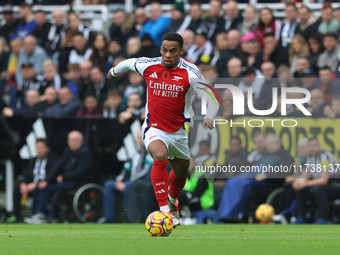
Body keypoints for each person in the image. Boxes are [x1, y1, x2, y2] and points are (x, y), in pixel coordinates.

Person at [107, 32, 219, 227]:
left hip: (178, 131)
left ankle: (172, 199)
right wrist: (114, 71)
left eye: (173, 51)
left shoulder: (191, 72)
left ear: (181, 51)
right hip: (153, 127)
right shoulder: (149, 64)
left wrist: (209, 116)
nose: (167, 55)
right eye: (164, 50)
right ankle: (164, 212)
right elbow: (129, 62)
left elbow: (212, 97)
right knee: (160, 155)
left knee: (181, 173)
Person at [24, 130, 93, 224]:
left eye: (75, 140)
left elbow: (81, 171)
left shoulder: (85, 152)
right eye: (70, 140)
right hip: (66, 181)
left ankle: (54, 215)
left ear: (81, 141)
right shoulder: (68, 151)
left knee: (58, 188)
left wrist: (64, 176)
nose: (73, 142)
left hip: (79, 182)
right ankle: (41, 214)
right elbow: (58, 166)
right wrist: (47, 180)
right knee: (46, 187)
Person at [102, 130, 153, 223]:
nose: (140, 140)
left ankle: (128, 218)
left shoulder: (150, 154)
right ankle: (109, 219)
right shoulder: (134, 154)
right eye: (139, 138)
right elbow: (126, 169)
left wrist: (129, 182)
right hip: (128, 182)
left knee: (129, 186)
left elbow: (145, 172)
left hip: (142, 182)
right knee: (109, 185)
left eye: (142, 138)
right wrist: (119, 181)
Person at [293, 137, 340, 224]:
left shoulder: (324, 156)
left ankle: (324, 219)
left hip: (336, 186)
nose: (312, 148)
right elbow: (305, 174)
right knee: (301, 189)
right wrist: (299, 182)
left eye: (314, 145)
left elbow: (324, 180)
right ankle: (302, 218)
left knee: (318, 188)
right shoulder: (310, 158)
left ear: (319, 145)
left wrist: (305, 183)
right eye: (310, 146)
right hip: (323, 187)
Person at [12, 138, 57, 222]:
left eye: (41, 147)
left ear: (47, 149)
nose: (39, 150)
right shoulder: (33, 160)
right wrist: (24, 184)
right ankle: (16, 217)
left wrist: (36, 184)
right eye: (37, 147)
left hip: (43, 186)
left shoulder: (53, 160)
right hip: (30, 185)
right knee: (16, 190)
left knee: (38, 189)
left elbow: (51, 176)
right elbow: (26, 174)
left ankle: (36, 215)